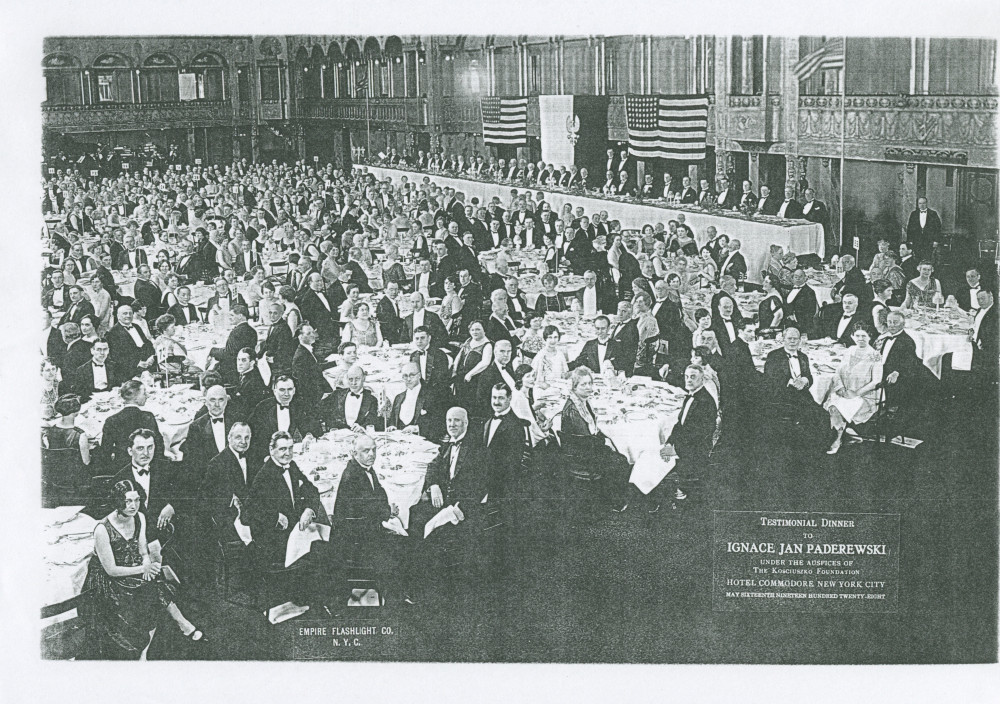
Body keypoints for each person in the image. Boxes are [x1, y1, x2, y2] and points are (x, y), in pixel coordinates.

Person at [80, 479, 206, 658]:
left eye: (137, 500)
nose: (133, 505)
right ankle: (181, 625)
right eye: (128, 501)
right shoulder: (102, 529)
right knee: (152, 589)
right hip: (108, 580)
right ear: (118, 501)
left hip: (134, 567)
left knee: (153, 587)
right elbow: (111, 570)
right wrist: (143, 569)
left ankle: (150, 647)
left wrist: (147, 563)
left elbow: (142, 549)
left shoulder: (140, 517)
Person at [246, 431, 329, 609]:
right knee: (322, 546)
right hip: (272, 539)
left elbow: (311, 489)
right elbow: (248, 513)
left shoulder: (291, 466)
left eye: (290, 448)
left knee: (325, 536)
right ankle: (310, 598)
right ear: (272, 450)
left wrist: (309, 509)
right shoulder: (263, 476)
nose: (287, 453)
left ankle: (311, 594)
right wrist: (274, 517)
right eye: (282, 449)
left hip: (293, 529)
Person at [331, 434, 416, 605]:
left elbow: (377, 493)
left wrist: (386, 509)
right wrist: (387, 511)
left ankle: (399, 592)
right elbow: (365, 513)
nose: (371, 454)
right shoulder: (352, 477)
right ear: (354, 453)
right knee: (400, 546)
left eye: (374, 450)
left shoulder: (363, 468)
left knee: (404, 537)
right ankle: (395, 599)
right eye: (366, 451)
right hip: (354, 540)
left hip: (364, 529)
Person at [552, 368, 630, 507]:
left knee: (616, 450)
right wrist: (605, 441)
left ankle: (609, 495)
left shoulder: (581, 401)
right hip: (581, 455)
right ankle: (615, 502)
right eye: (583, 385)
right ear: (574, 387)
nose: (588, 387)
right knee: (621, 460)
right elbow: (587, 440)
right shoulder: (573, 410)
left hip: (583, 448)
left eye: (590, 383)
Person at [656, 364, 718, 506]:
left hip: (694, 452)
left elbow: (700, 436)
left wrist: (676, 449)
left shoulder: (706, 403)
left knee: (654, 458)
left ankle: (673, 496)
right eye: (686, 377)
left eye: (693, 377)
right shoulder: (689, 397)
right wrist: (669, 443)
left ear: (702, 379)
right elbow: (679, 425)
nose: (688, 380)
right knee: (656, 450)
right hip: (682, 446)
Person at [823, 323, 884, 454]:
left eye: (864, 336)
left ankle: (837, 439)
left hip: (865, 396)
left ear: (870, 337)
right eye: (857, 336)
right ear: (852, 337)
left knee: (836, 408)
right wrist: (840, 388)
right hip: (843, 392)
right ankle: (846, 432)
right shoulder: (849, 350)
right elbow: (837, 371)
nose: (860, 339)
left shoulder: (875, 355)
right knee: (832, 406)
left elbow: (876, 381)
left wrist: (856, 393)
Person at [246, 375, 319, 471]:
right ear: (274, 391)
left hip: (290, 457)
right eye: (282, 390)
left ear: (294, 390)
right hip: (266, 460)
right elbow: (252, 437)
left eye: (289, 389)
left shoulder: (298, 406)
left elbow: (312, 425)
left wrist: (309, 435)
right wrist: (266, 457)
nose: (286, 394)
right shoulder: (262, 408)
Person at [99, 382, 165, 470]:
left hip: (122, 467)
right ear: (136, 398)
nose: (147, 395)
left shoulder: (111, 420)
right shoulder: (148, 417)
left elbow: (105, 452)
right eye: (144, 393)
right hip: (148, 465)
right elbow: (159, 445)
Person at [42, 394, 94, 505]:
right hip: (76, 482)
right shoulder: (80, 434)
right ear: (76, 412)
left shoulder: (49, 431)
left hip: (55, 479)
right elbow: (86, 462)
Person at [389, 362, 440, 440]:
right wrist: (392, 426)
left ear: (419, 375)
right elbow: (393, 421)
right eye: (405, 376)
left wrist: (417, 428)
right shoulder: (398, 398)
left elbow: (438, 422)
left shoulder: (431, 395)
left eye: (412, 375)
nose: (408, 379)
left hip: (422, 443)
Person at [105, 304, 156, 379]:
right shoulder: (113, 332)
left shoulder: (137, 327)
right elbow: (116, 356)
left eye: (130, 313)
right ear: (118, 316)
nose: (128, 316)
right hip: (129, 371)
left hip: (147, 368)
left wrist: (151, 357)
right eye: (125, 313)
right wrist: (137, 363)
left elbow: (147, 344)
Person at [290, 324, 334, 407]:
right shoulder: (301, 355)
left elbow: (314, 367)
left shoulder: (306, 350)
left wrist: (335, 363)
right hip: (312, 398)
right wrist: (324, 393)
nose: (313, 335)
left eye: (313, 332)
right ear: (300, 336)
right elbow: (306, 384)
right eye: (308, 333)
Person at [784, 268, 819, 336]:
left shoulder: (809, 292)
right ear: (792, 279)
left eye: (800, 276)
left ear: (805, 278)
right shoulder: (790, 290)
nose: (798, 278)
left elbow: (811, 311)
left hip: (803, 326)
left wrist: (795, 317)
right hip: (789, 324)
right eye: (796, 277)